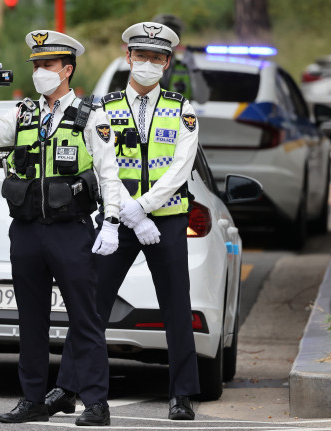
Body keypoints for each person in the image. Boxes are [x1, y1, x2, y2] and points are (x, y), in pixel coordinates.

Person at [46, 21, 200, 421]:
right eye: (141, 55)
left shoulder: (182, 109)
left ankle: (181, 394)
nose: (147, 63)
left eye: (156, 57)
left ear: (167, 62)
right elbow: (102, 165)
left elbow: (179, 171)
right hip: (115, 219)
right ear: (127, 55)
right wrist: (127, 210)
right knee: (89, 306)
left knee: (177, 305)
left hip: (164, 220)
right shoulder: (103, 107)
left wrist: (145, 208)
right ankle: (66, 387)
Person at [0, 30, 121, 426]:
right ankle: (33, 398)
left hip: (71, 231)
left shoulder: (91, 116)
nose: (40, 71)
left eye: (48, 65)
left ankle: (96, 403)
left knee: (84, 319)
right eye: (36, 65)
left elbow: (108, 173)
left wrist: (112, 222)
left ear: (67, 69)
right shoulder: (23, 113)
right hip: (28, 231)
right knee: (30, 319)